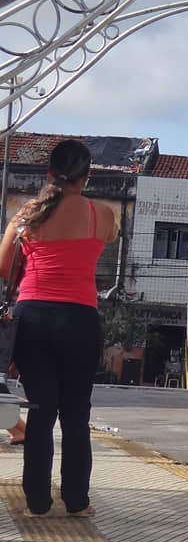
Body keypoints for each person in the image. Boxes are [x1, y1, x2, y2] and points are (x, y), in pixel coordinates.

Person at [0, 140, 118, 518]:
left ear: (49, 172)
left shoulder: (27, 214)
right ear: (86, 177)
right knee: (75, 414)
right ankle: (77, 501)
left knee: (40, 411)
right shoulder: (101, 214)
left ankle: (37, 502)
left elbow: (4, 265)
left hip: (32, 319)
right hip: (79, 320)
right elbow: (110, 237)